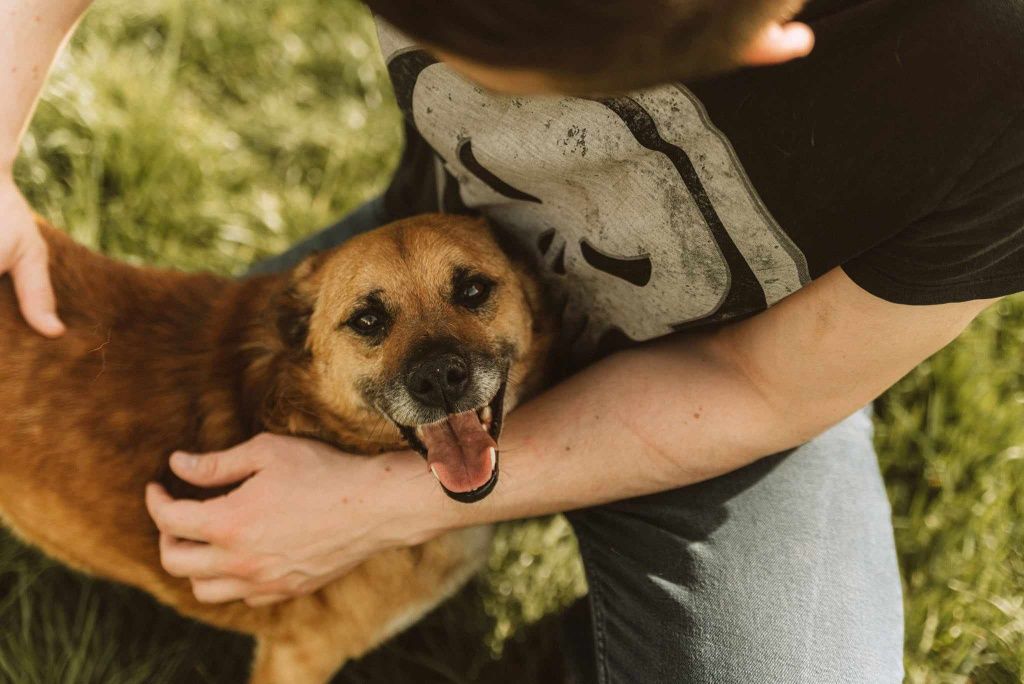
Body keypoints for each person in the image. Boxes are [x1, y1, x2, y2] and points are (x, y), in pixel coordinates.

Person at [3, 0, 1022, 681]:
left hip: (741, 370)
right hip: (426, 248)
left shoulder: (990, 83)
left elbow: (762, 391)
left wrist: (367, 504)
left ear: (764, 24)